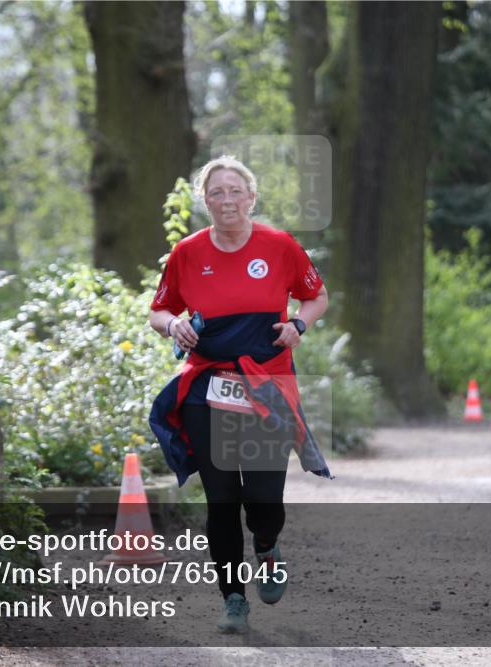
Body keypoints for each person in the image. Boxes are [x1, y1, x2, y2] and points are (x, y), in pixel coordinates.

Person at [148, 155, 331, 634]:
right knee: (223, 499)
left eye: (235, 191)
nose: (226, 200)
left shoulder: (280, 246)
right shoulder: (186, 252)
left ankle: (267, 548)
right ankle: (232, 598)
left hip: (267, 383)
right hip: (208, 386)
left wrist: (298, 324)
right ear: (204, 202)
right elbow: (160, 310)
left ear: (251, 197)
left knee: (266, 498)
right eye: (216, 193)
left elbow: (317, 296)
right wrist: (175, 325)